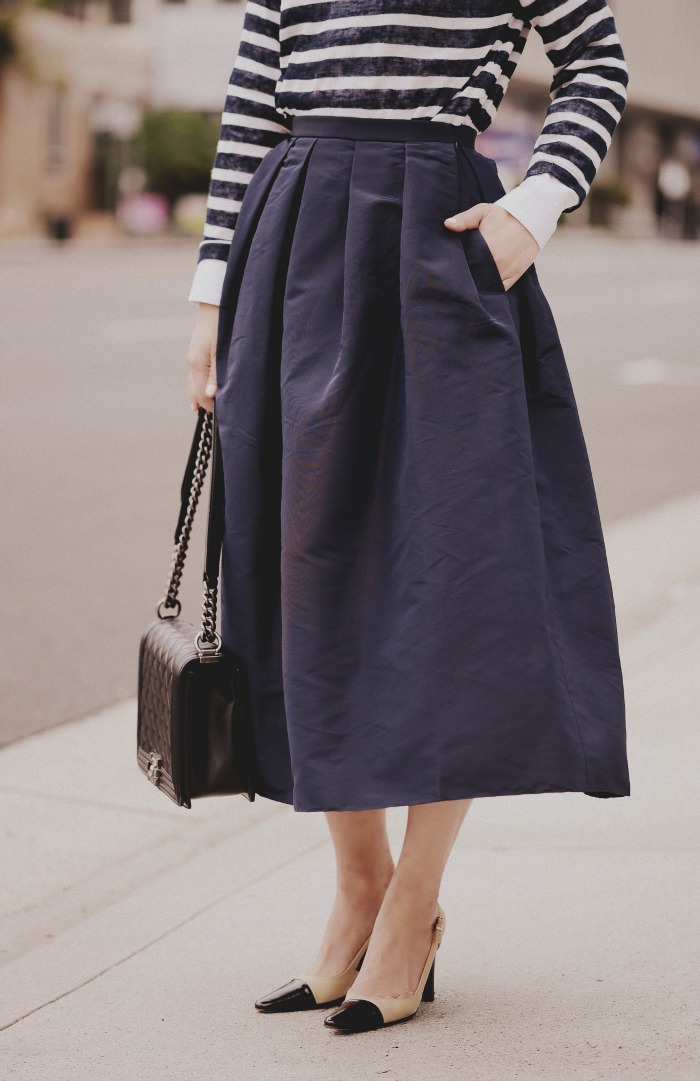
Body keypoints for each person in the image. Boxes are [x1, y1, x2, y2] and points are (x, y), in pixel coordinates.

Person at [185, 0, 631, 1034]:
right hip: (291, 248)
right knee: (308, 568)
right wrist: (212, 295)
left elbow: (595, 60)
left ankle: (415, 903)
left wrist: (538, 205)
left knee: (454, 577)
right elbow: (252, 110)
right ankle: (358, 887)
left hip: (439, 246)